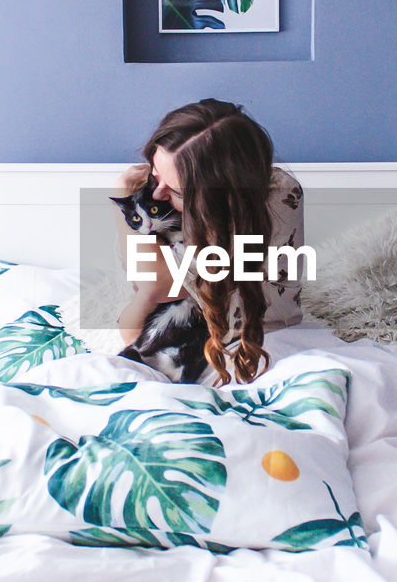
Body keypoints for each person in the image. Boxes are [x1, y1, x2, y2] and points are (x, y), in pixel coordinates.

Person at [113, 98, 304, 385]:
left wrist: (123, 196)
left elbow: (153, 288)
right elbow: (141, 315)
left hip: (260, 344)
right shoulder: (164, 204)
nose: (156, 194)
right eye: (155, 172)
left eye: (175, 190)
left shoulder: (279, 196)